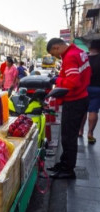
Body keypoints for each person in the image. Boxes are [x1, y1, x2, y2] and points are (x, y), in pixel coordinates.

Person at [46, 38, 91, 179]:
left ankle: (68, 169)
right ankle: (64, 163)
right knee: (68, 135)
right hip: (82, 96)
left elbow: (73, 82)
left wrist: (57, 80)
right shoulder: (79, 52)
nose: (56, 57)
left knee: (68, 137)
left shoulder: (70, 57)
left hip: (74, 101)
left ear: (56, 47)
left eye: (54, 53)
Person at [79, 39, 100, 144]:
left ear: (90, 47)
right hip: (97, 88)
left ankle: (80, 130)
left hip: (84, 88)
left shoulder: (84, 58)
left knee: (83, 110)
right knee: (93, 110)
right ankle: (90, 133)